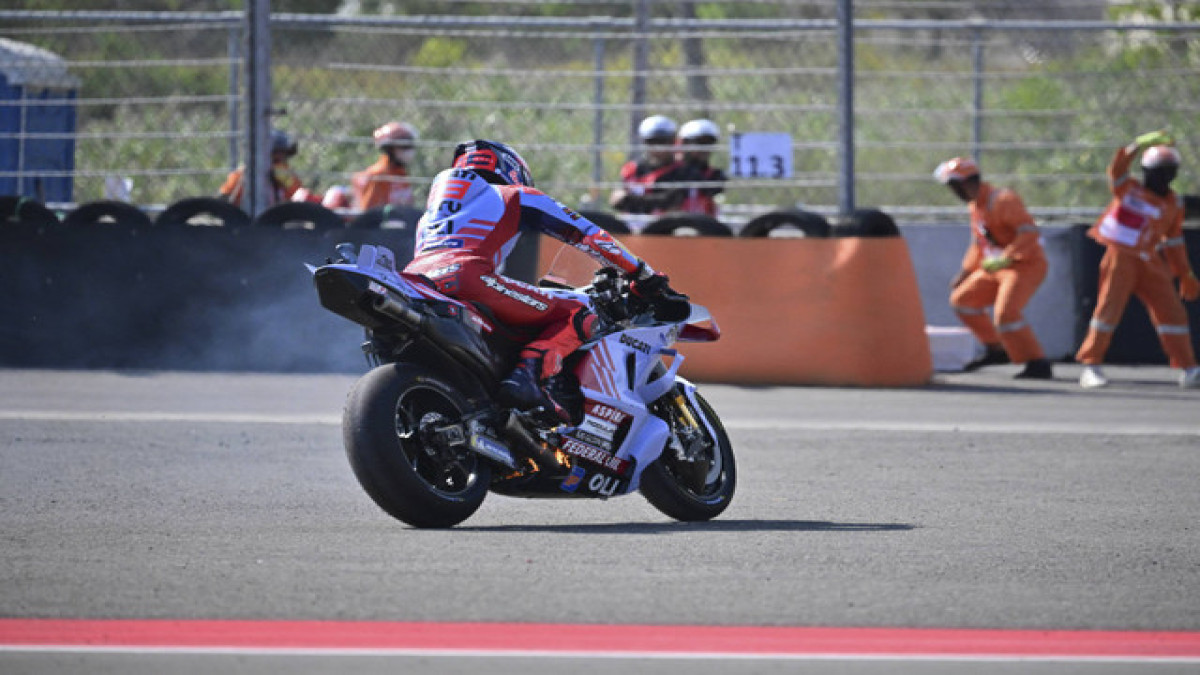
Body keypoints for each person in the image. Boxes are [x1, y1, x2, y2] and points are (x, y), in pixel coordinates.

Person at [405, 139, 679, 421]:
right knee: (580, 312)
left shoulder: (428, 219)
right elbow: (589, 235)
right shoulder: (514, 194)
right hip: (467, 277)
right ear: (511, 169)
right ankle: (529, 378)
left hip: (416, 283)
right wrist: (643, 275)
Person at [1075, 131, 1200, 389]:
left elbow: (1173, 241)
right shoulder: (1127, 187)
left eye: (1168, 171)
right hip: (1120, 256)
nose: (1162, 177)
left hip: (1149, 259)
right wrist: (1136, 146)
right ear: (1146, 171)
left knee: (1173, 312)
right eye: (1156, 171)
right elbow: (1116, 170)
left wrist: (1185, 273)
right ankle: (1091, 366)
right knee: (1107, 312)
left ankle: (1189, 368)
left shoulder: (1174, 203)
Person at [933, 156, 1053, 379]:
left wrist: (1007, 257)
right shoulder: (975, 206)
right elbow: (979, 244)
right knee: (963, 301)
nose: (954, 192)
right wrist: (966, 273)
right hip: (996, 268)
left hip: (1025, 266)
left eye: (955, 186)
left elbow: (1029, 233)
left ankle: (1037, 362)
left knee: (1006, 313)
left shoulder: (1003, 200)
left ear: (970, 182)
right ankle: (996, 349)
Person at [609, 115, 691, 215]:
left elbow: (670, 200)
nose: (658, 147)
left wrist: (630, 200)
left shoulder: (682, 170)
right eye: (652, 141)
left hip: (666, 225)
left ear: (673, 141)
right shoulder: (632, 168)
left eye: (663, 141)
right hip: (631, 224)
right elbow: (616, 200)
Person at [218, 129, 305, 208]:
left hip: (278, 221)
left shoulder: (286, 174)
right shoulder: (244, 173)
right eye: (275, 153)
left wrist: (288, 182)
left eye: (283, 154)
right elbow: (224, 199)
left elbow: (300, 199)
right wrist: (243, 180)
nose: (280, 158)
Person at [352, 121, 419, 211]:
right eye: (404, 146)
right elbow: (369, 212)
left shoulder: (401, 174)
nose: (409, 151)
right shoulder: (379, 175)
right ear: (390, 149)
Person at [674, 118, 728, 217]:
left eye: (708, 143)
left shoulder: (714, 175)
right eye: (699, 143)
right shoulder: (673, 171)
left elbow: (712, 191)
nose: (704, 148)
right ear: (684, 143)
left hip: (704, 225)